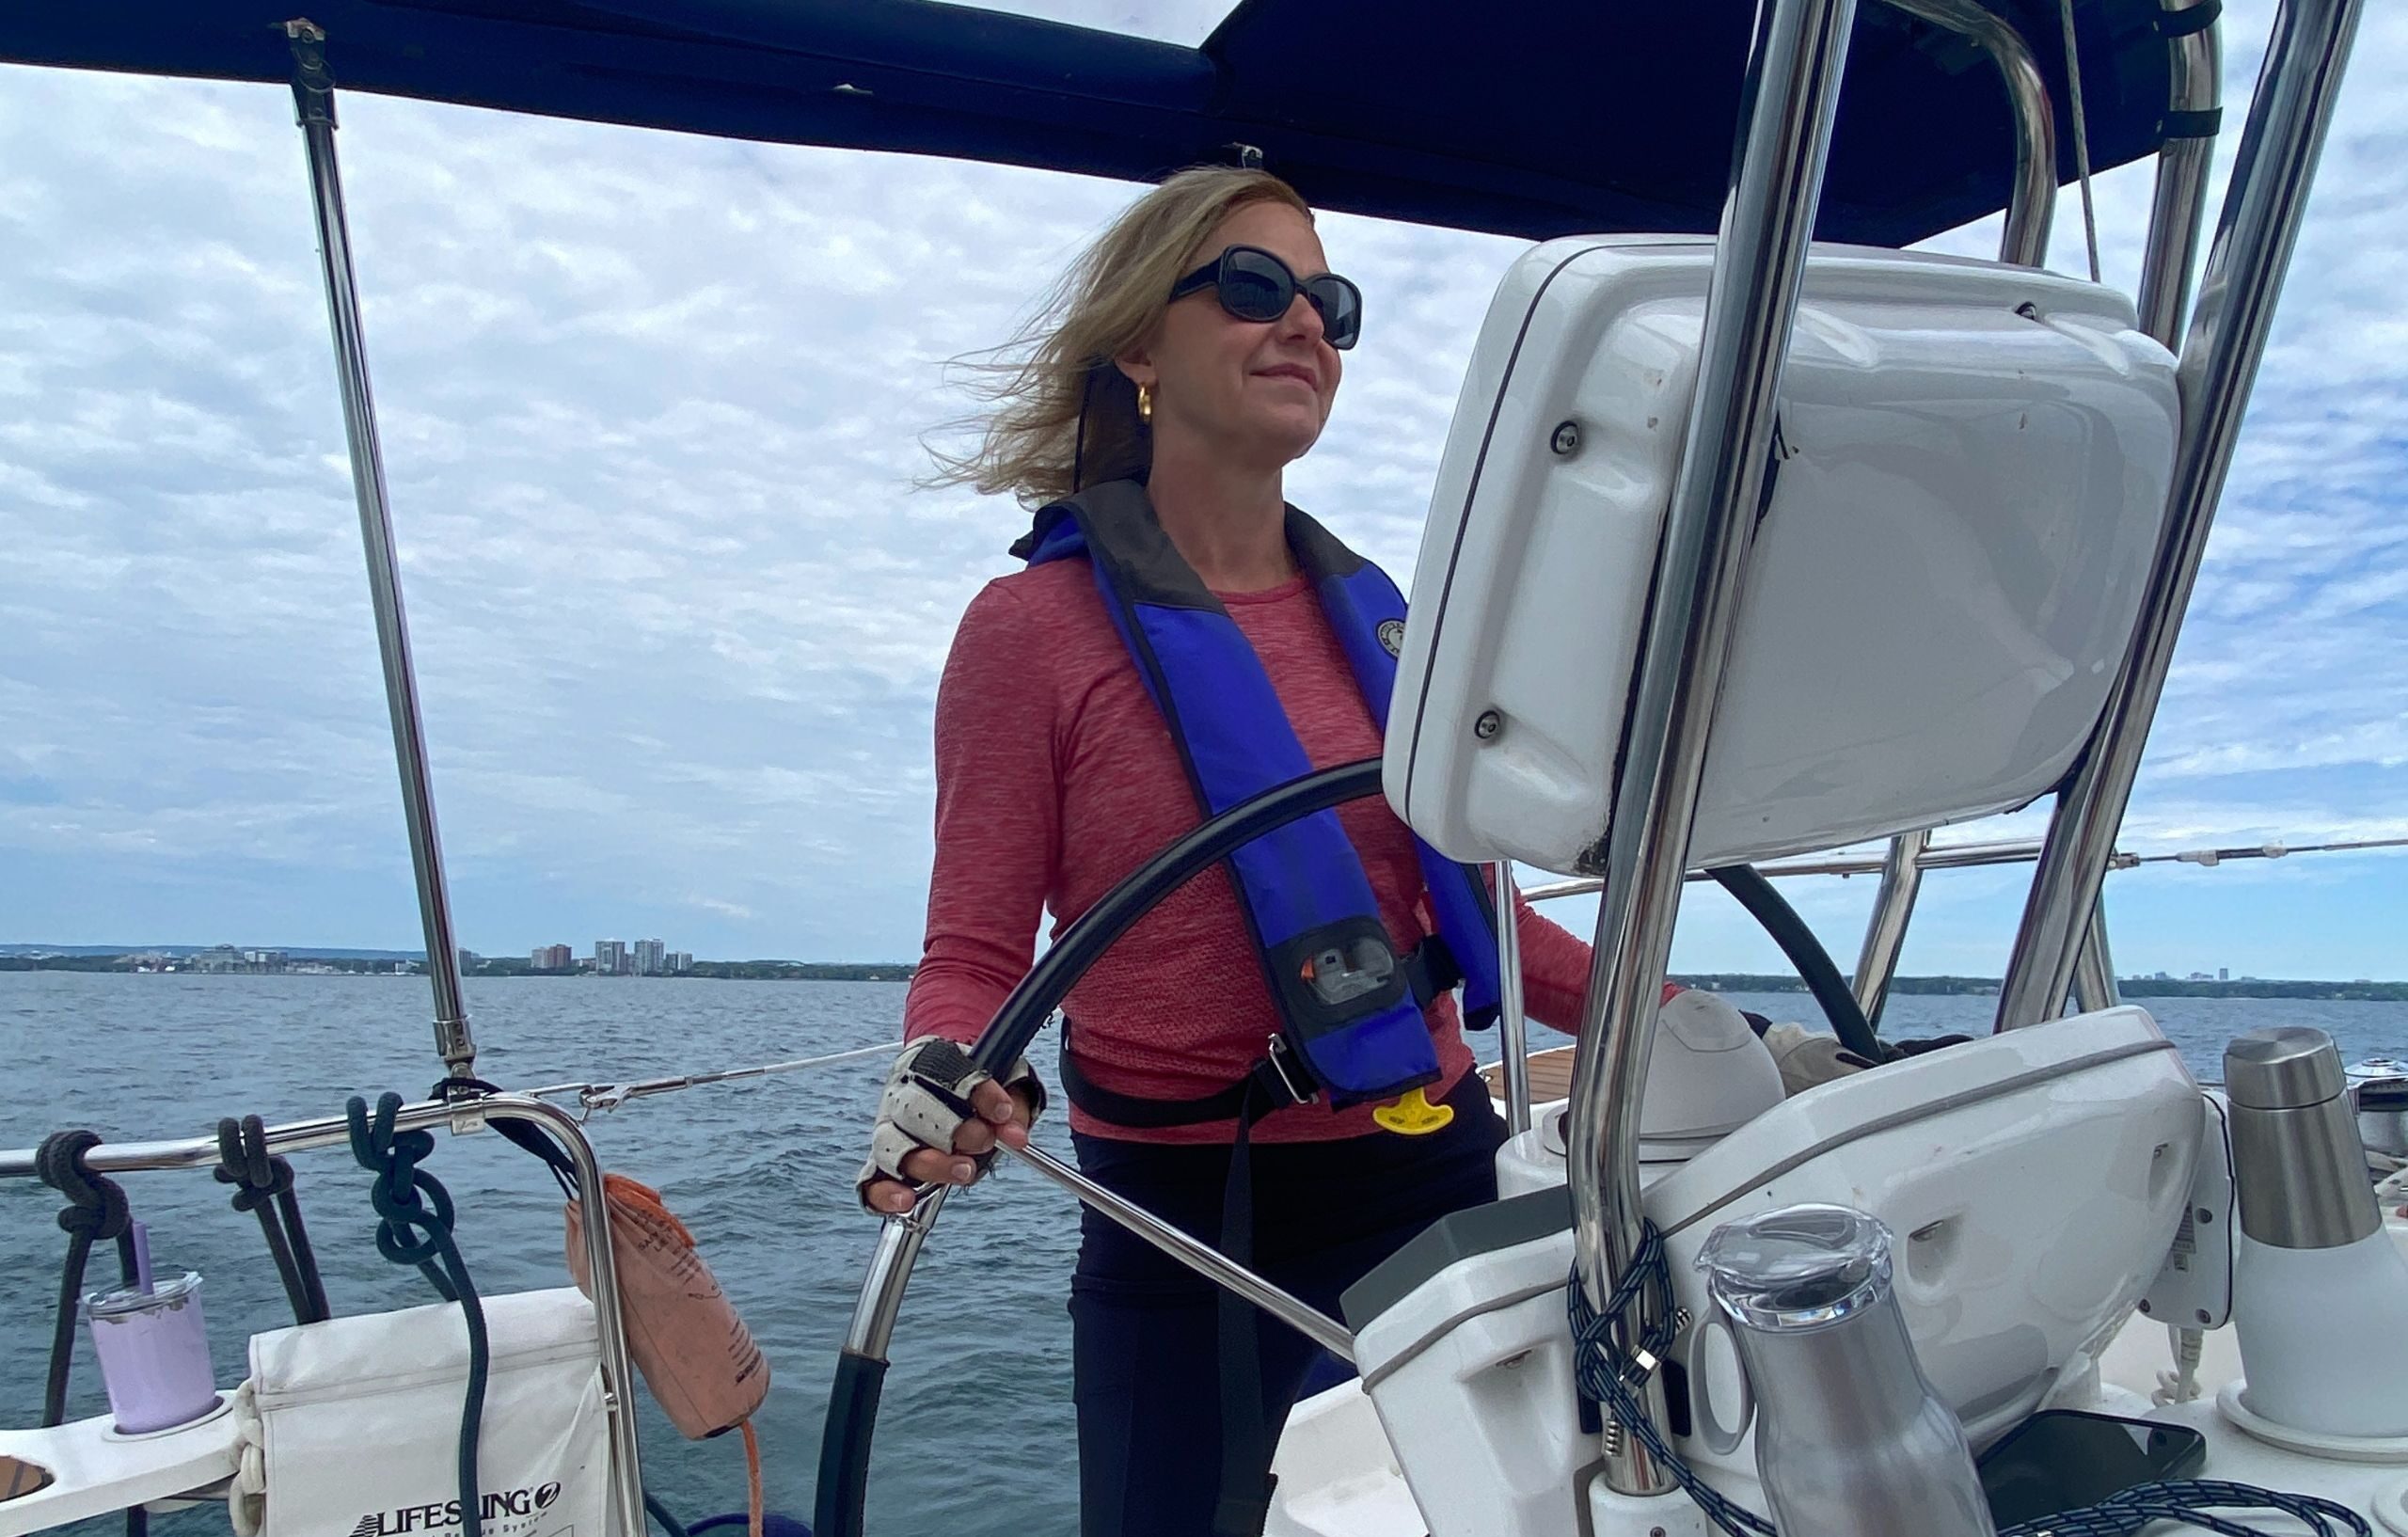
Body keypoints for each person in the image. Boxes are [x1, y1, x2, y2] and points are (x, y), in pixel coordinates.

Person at [856, 166, 1600, 1537]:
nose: (1304, 324)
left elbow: (1489, 916)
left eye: (1331, 303)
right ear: (1141, 342)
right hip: (1182, 1225)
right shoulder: (1028, 636)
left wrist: (1675, 1010)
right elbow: (971, 953)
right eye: (1255, 288)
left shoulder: (1399, 628)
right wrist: (942, 1067)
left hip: (1434, 1170)